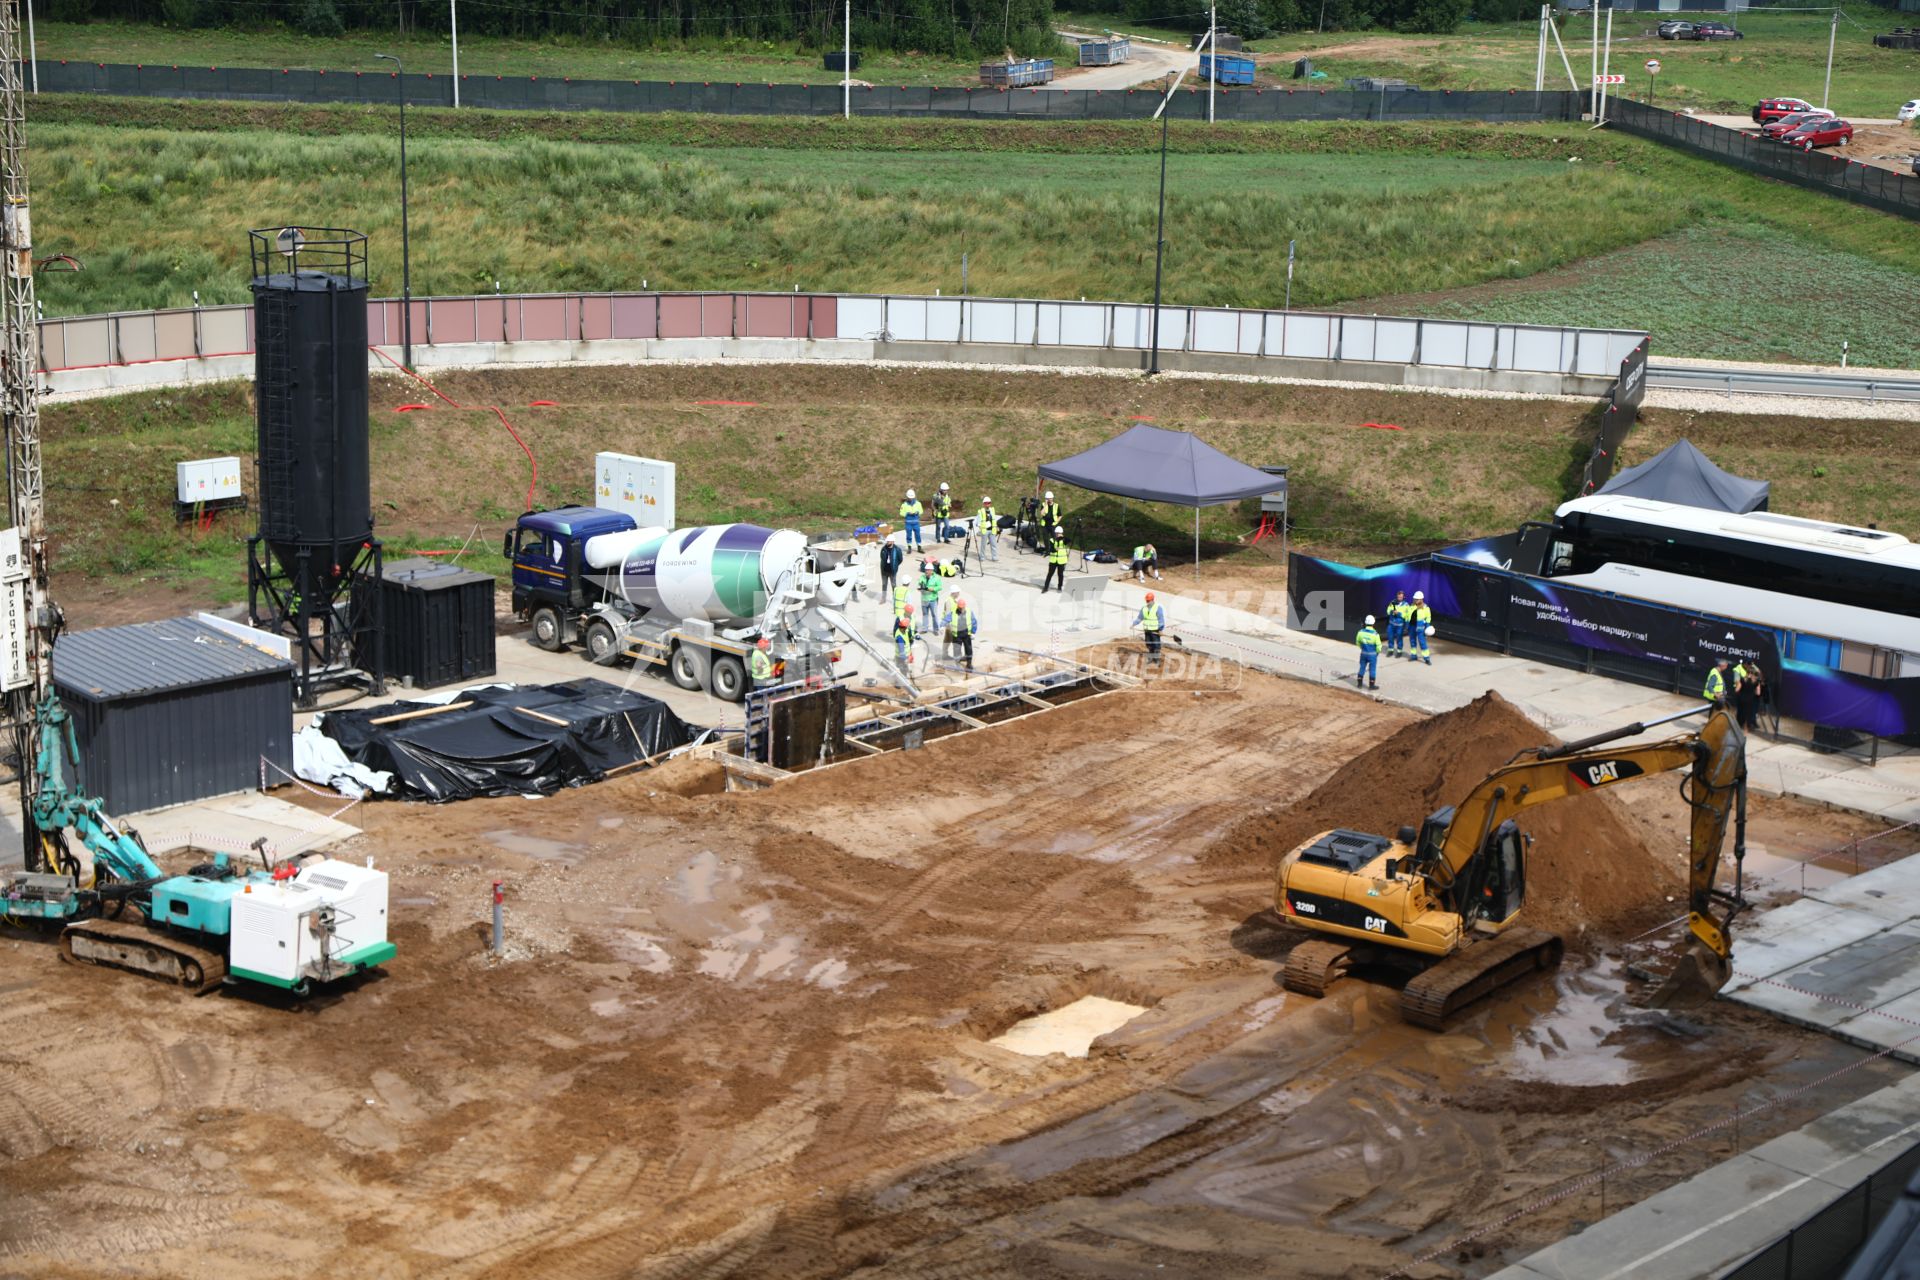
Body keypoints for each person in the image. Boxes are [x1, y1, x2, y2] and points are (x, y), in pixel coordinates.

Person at [942, 593, 978, 671]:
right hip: (957, 635)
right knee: (957, 650)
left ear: (965, 606)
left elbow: (974, 622)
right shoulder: (953, 612)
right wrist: (942, 625)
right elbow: (946, 619)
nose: (961, 609)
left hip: (966, 634)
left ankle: (969, 664)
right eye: (960, 607)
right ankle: (957, 664)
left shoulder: (969, 611)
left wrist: (973, 632)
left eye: (962, 607)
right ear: (957, 606)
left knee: (968, 649)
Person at [1133, 591, 1167, 664]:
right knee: (1149, 644)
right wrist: (1134, 624)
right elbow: (1139, 618)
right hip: (1147, 630)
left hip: (1155, 630)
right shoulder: (1144, 608)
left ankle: (1156, 659)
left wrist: (1160, 629)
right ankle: (1151, 657)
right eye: (1146, 600)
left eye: (1148, 600)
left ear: (1152, 600)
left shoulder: (1158, 608)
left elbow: (1161, 619)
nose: (1147, 602)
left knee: (1156, 645)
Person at [918, 558, 944, 635]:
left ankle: (936, 630)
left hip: (933, 599)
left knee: (934, 615)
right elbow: (920, 584)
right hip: (924, 599)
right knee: (925, 614)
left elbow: (940, 587)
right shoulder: (922, 577)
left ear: (932, 571)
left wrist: (932, 589)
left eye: (928, 570)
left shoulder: (936, 578)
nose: (926, 571)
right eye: (926, 570)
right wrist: (920, 588)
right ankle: (925, 628)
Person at [1356, 614, 1382, 690]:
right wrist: (1376, 653)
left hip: (1363, 653)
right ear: (1373, 623)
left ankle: (1359, 684)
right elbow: (1379, 647)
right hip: (1372, 655)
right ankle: (1371, 685)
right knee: (1372, 669)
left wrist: (1363, 648)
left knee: (1362, 667)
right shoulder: (1375, 634)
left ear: (1365, 622)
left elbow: (1358, 642)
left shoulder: (1360, 632)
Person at [1041, 525, 1069, 594]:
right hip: (1053, 560)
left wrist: (1062, 537)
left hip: (1061, 561)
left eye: (1059, 533)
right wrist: (1055, 549)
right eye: (1057, 533)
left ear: (1061, 533)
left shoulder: (1064, 540)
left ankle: (1060, 586)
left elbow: (1069, 540)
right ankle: (1045, 587)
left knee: (1060, 574)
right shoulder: (1052, 540)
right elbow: (1051, 549)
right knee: (1050, 574)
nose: (1057, 535)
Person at [1734, 662, 1761, 731]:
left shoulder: (1742, 679)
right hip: (1750, 700)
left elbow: (1737, 689)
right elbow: (1758, 693)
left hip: (1741, 699)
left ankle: (1738, 726)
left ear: (1746, 672)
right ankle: (1746, 728)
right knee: (1748, 714)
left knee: (1740, 713)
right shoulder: (1756, 682)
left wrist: (1738, 690)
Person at [1407, 591, 1432, 663]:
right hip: (1412, 626)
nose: (1415, 600)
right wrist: (1407, 625)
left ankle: (1426, 658)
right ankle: (1413, 655)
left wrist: (1427, 626)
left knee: (1422, 642)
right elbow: (1408, 615)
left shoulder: (1425, 608)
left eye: (1417, 599)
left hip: (1420, 627)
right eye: (1415, 599)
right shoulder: (1411, 606)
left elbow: (1428, 617)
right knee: (1412, 641)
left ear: (1421, 599)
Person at [1384, 590, 1410, 657]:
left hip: (1399, 625)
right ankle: (1390, 650)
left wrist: (1399, 614)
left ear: (1403, 597)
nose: (1399, 598)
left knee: (1399, 638)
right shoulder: (1392, 602)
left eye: (1401, 597)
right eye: (1398, 597)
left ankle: (1399, 651)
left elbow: (1407, 615)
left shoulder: (1406, 605)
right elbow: (1388, 610)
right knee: (1390, 637)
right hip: (1391, 624)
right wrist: (1392, 611)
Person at [900, 488, 924, 552]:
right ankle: (909, 547)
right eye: (909, 498)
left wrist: (918, 512)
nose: (911, 499)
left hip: (916, 522)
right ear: (907, 497)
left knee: (918, 534)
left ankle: (919, 547)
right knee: (909, 535)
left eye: (912, 498)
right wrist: (907, 513)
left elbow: (921, 511)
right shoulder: (904, 505)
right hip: (908, 523)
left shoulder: (918, 503)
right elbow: (901, 513)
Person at [976, 497, 999, 562]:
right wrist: (980, 527)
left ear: (990, 503)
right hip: (985, 530)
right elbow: (978, 521)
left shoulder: (992, 510)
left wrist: (996, 527)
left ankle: (994, 557)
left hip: (992, 530)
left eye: (988, 503)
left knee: (993, 544)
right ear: (983, 504)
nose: (987, 504)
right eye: (986, 503)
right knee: (983, 545)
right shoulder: (981, 511)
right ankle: (982, 557)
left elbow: (994, 519)